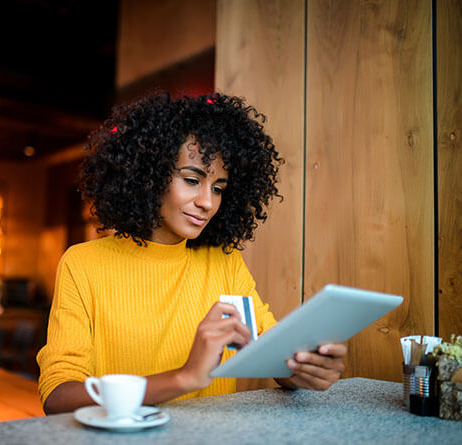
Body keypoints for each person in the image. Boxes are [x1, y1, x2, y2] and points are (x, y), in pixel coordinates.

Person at [37, 93, 347, 415]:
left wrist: (306, 366)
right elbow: (59, 397)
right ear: (149, 176)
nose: (207, 202)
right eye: (191, 180)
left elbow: (272, 353)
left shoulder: (223, 262)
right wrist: (183, 378)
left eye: (218, 188)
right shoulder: (84, 264)